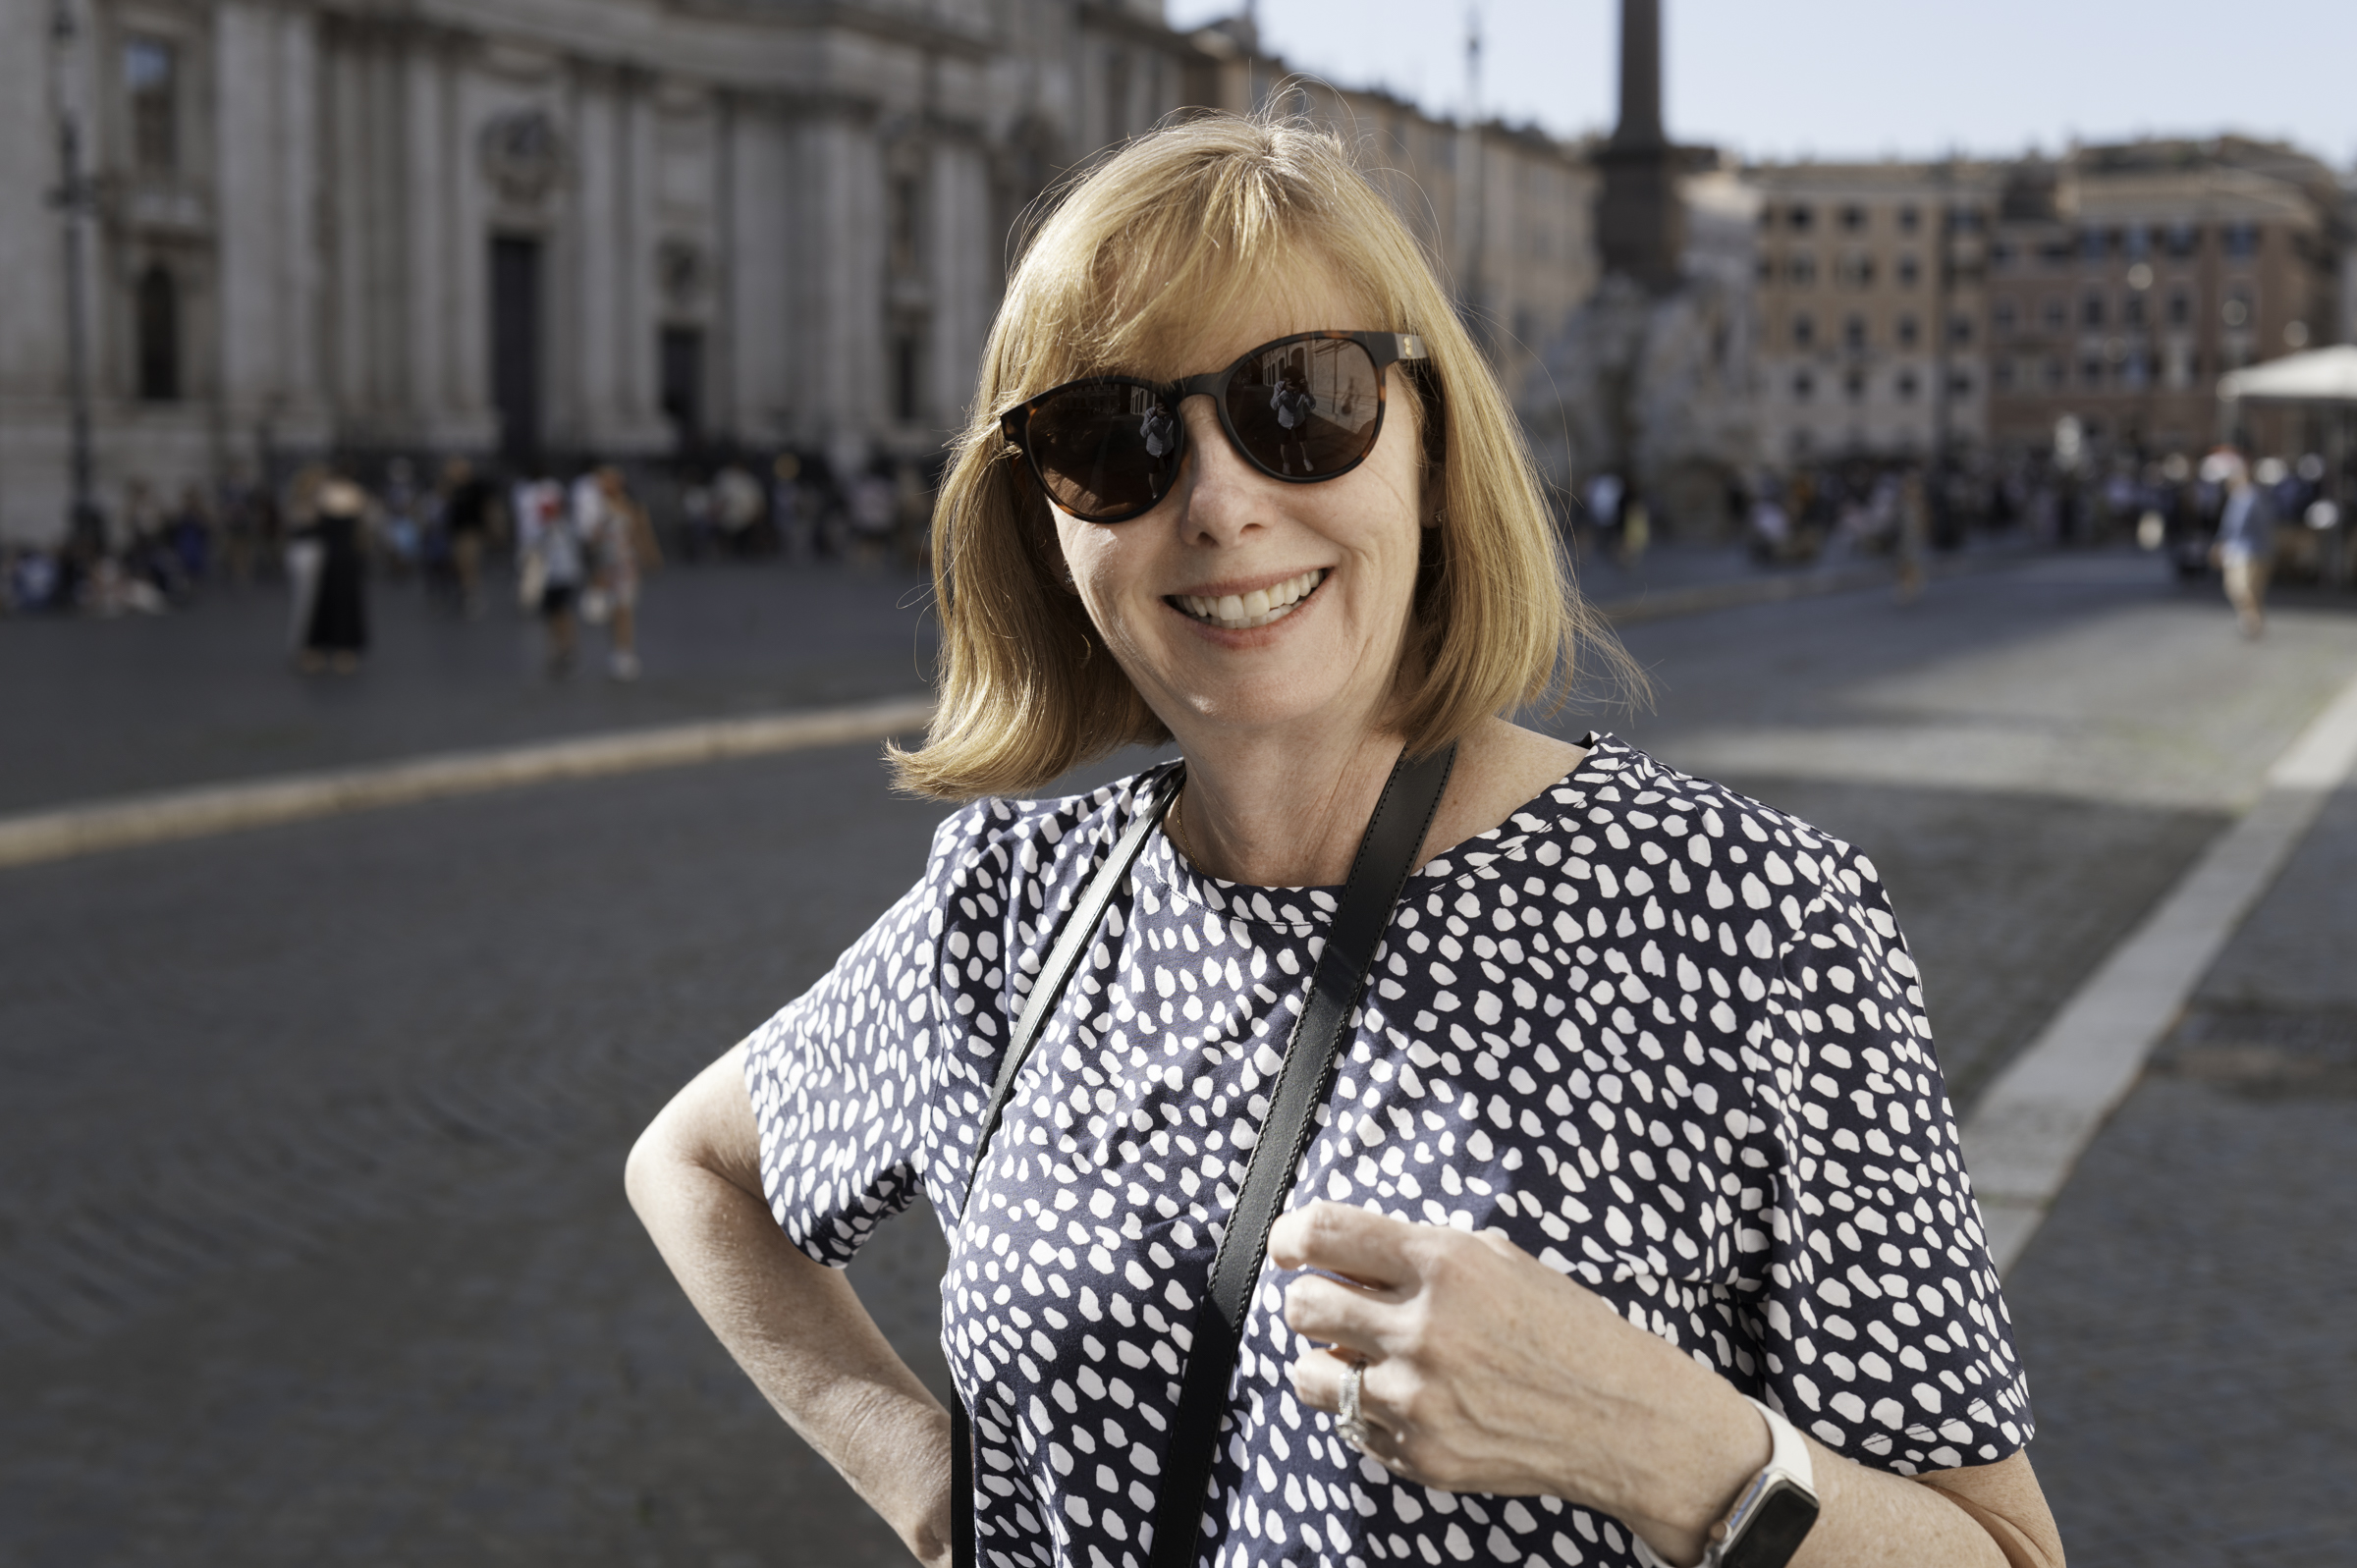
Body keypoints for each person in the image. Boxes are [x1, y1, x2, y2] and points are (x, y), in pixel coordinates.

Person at [627, 114, 2061, 1568]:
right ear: (1044, 524)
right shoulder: (1010, 908)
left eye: (1299, 402)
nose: (1221, 502)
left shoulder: (1750, 919)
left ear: (1432, 447)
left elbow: (2004, 1554)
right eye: (1107, 440)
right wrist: (941, 1497)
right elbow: (691, 1168)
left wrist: (1668, 1442)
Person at [580, 463, 658, 679]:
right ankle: (618, 651)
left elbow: (642, 533)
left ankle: (624, 653)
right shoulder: (596, 505)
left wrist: (650, 556)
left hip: (625, 564)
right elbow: (591, 539)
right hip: (605, 566)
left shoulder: (631, 506)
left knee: (624, 609)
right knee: (613, 612)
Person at [299, 476, 370, 674]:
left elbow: (310, 524)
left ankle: (322, 650)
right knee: (343, 602)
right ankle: (344, 651)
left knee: (325, 602)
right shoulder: (355, 495)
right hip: (345, 557)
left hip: (330, 557)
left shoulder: (324, 495)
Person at [516, 470, 583, 675]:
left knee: (562, 613)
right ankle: (556, 651)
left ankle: (567, 649)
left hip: (564, 577)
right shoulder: (541, 530)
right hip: (549, 578)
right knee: (551, 616)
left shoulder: (566, 528)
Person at [2211, 451, 2275, 638]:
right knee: (2244, 589)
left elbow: (2235, 526)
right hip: (2249, 549)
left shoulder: (2250, 496)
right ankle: (2251, 619)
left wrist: (2220, 545)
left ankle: (2251, 619)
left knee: (2242, 588)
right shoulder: (2242, 497)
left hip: (2247, 550)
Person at [438, 457, 496, 617]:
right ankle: (467, 593)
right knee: (460, 565)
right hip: (456, 533)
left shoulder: (477, 487)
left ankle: (472, 595)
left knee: (469, 563)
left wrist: (491, 529)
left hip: (472, 532)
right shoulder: (454, 488)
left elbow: (487, 508)